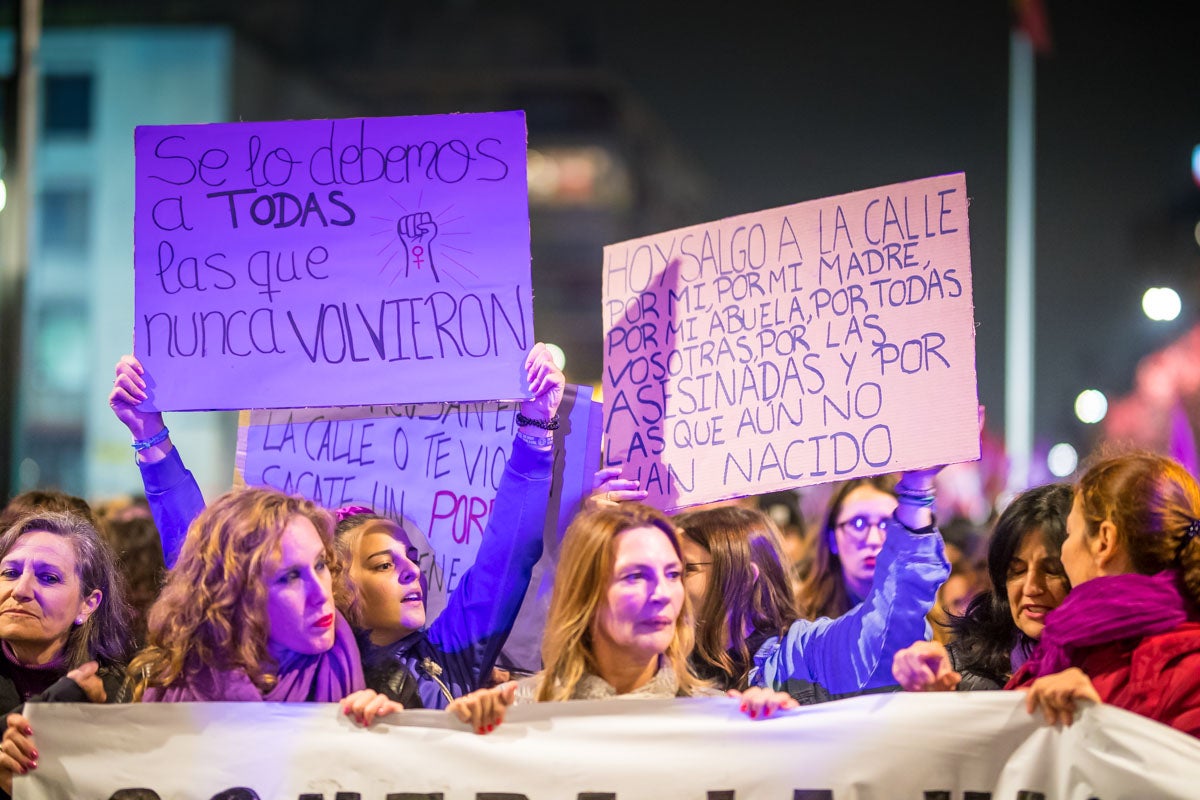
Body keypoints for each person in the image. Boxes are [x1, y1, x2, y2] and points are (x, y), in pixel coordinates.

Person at [109, 343, 564, 709]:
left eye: (410, 558)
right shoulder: (252, 661)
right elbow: (200, 553)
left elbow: (506, 559)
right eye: (383, 565)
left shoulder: (442, 664)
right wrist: (150, 438)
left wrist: (537, 428)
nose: (411, 572)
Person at [445, 503, 796, 732]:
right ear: (586, 593)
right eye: (635, 576)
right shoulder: (519, 711)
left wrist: (770, 734)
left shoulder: (716, 717)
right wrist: (457, 734)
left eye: (673, 574)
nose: (661, 593)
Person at [1009, 453, 1200, 737]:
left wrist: (1100, 723)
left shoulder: (1181, 670)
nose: (1064, 552)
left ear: (1104, 542)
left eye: (1070, 533)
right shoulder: (1072, 644)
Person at [0, 512, 135, 794]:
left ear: (87, 604)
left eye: (48, 578)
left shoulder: (121, 694)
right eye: (10, 573)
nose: (20, 590)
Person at [891, 483, 1073, 691]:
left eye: (1051, 569)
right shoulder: (956, 673)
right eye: (1017, 571)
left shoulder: (1108, 671)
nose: (1031, 587)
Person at [673, 505, 798, 691]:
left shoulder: (800, 662)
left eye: (687, 569)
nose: (667, 585)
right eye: (670, 571)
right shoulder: (664, 661)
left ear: (744, 578)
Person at [797, 476, 899, 620]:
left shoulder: (924, 611)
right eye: (858, 524)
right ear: (832, 539)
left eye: (886, 524)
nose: (873, 540)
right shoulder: (803, 622)